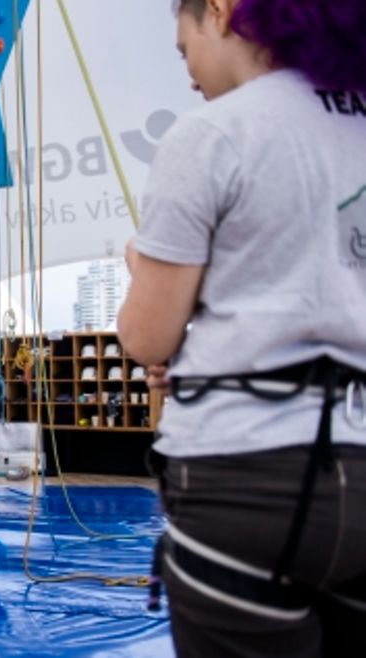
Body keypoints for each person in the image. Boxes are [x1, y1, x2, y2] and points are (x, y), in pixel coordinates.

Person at [117, 0, 366, 655]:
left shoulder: (216, 133)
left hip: (248, 476)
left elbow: (148, 339)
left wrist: (142, 267)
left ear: (222, 12)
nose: (190, 74)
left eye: (183, 48)